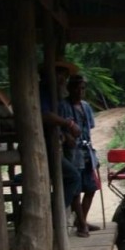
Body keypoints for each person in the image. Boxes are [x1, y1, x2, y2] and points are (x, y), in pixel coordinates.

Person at [38, 64, 86, 236]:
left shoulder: (54, 96)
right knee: (72, 177)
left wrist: (64, 134)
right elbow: (44, 115)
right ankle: (53, 216)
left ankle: (62, 217)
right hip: (40, 147)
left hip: (52, 144)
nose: (63, 81)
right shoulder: (43, 91)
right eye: (62, 76)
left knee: (72, 179)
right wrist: (68, 124)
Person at [58, 74, 100, 237]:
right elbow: (58, 128)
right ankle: (82, 224)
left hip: (87, 150)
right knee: (75, 189)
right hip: (72, 152)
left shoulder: (86, 107)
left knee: (91, 187)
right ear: (69, 88)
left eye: (82, 88)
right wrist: (66, 137)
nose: (79, 91)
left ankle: (81, 219)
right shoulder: (62, 106)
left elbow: (88, 129)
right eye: (76, 87)